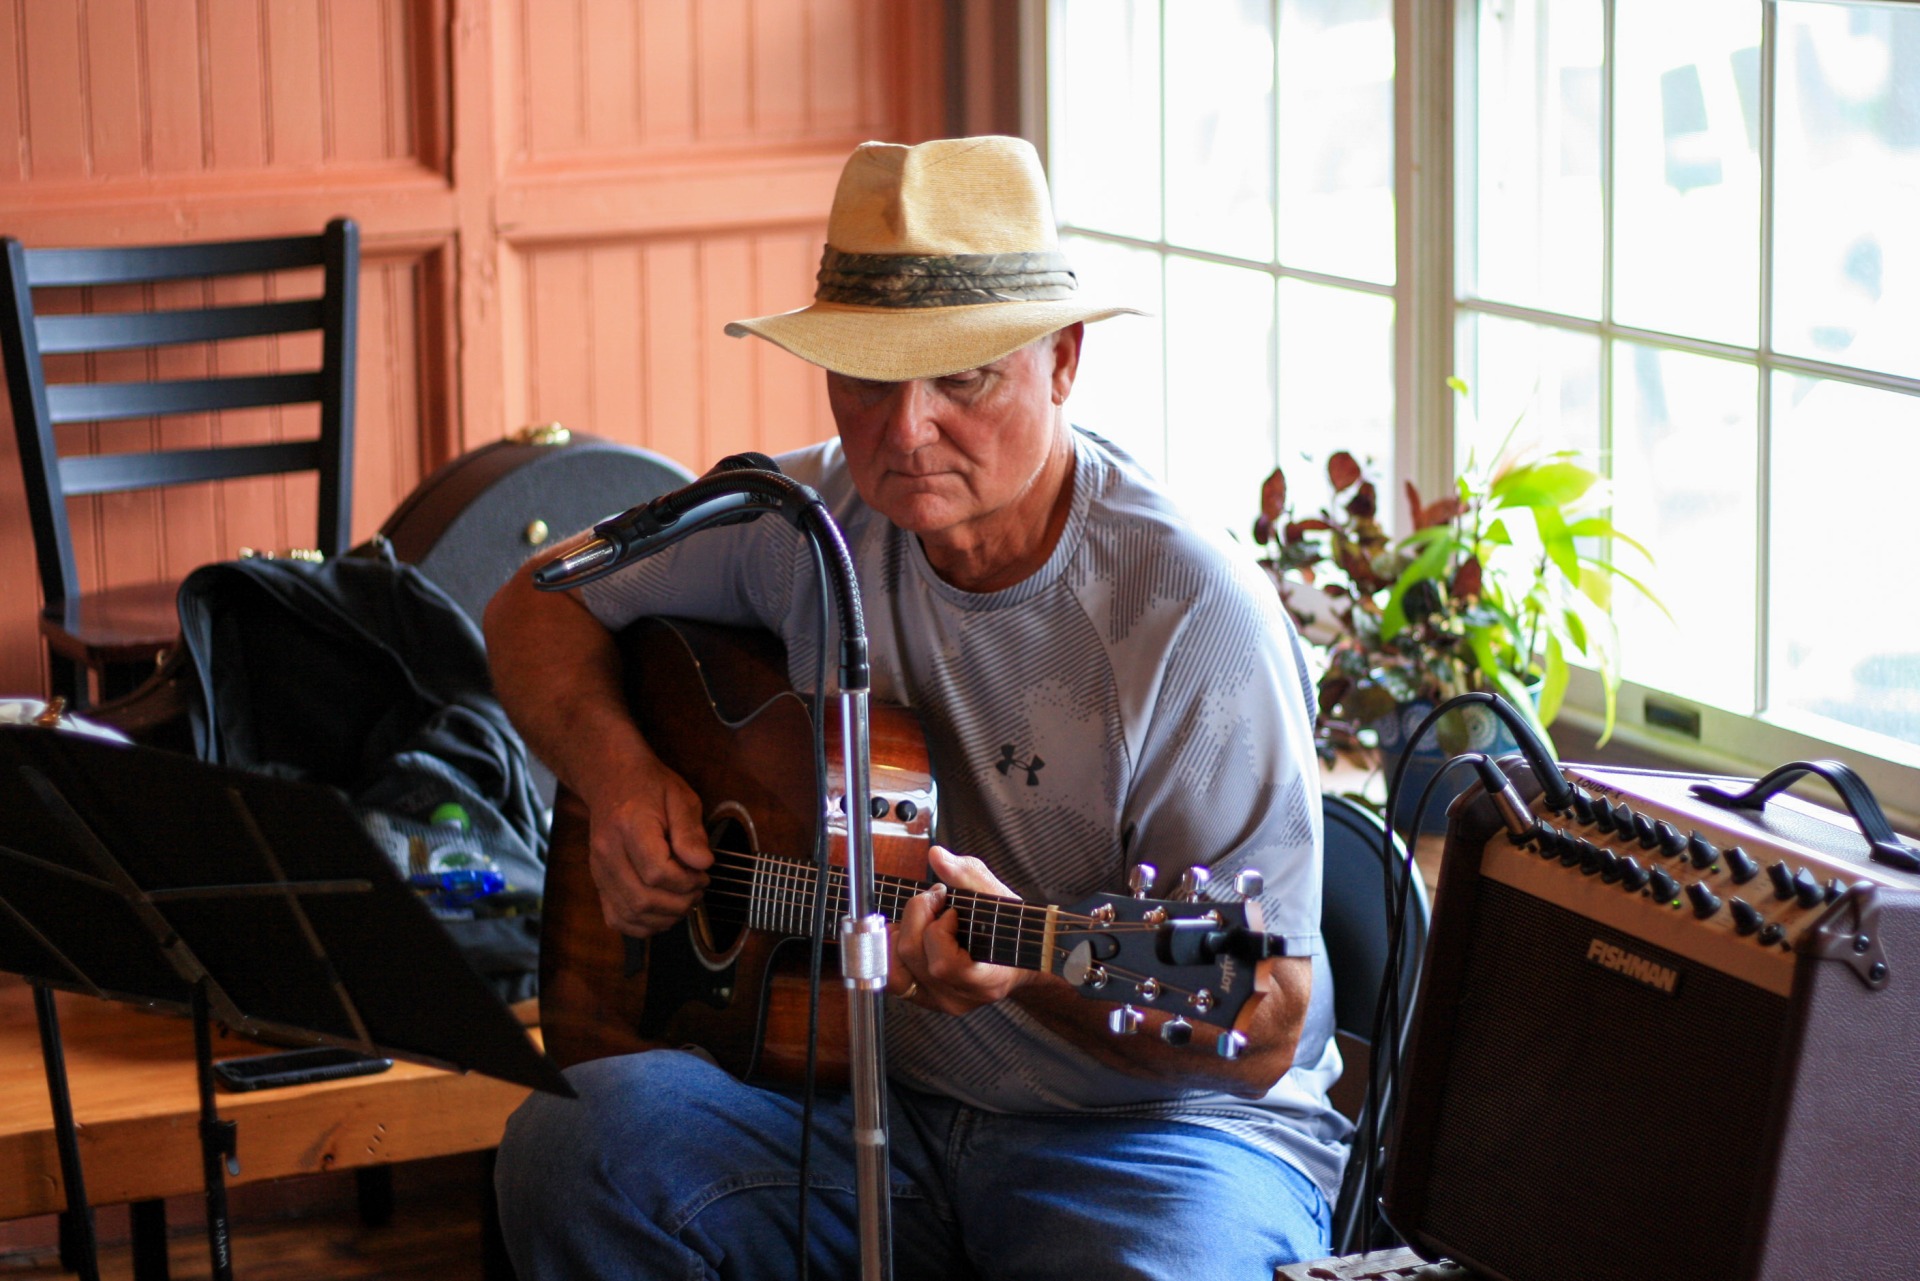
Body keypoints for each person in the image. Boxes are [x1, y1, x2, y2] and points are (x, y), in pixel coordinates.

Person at [486, 135, 1348, 1280]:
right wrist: (623, 782)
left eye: (964, 379)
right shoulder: (801, 520)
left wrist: (1033, 972)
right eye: (868, 379)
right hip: (861, 1114)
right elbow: (530, 608)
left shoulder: (1190, 615)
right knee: (575, 1147)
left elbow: (1261, 1021)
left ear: (1063, 361)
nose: (904, 431)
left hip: (1157, 1141)